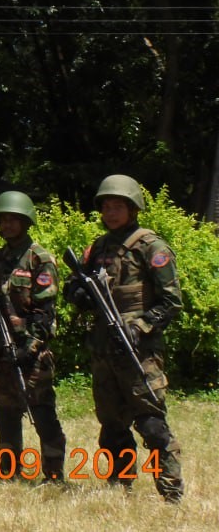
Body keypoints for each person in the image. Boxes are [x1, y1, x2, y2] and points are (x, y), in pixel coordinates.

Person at [62, 174, 183, 502]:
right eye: (106, 207)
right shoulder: (97, 248)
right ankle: (120, 483)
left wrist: (140, 327)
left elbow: (172, 302)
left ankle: (170, 492)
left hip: (139, 352)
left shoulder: (151, 247)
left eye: (118, 206)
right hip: (104, 350)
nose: (111, 212)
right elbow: (72, 284)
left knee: (151, 424)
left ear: (133, 208)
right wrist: (78, 292)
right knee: (112, 423)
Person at [0, 191, 67, 481]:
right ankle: (9, 470)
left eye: (14, 220)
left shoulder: (40, 259)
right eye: (3, 220)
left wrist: (29, 347)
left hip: (32, 350)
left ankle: (53, 471)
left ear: (26, 222)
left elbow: (46, 313)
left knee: (42, 411)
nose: (8, 225)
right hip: (2, 349)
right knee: (6, 411)